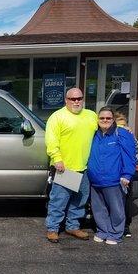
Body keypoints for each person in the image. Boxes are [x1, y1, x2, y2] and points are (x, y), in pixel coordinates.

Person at [45, 88, 98, 243]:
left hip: (85, 167)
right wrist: (57, 159)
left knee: (80, 201)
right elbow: (51, 140)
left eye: (79, 98)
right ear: (66, 100)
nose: (76, 101)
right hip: (66, 168)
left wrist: (122, 128)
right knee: (59, 201)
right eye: (72, 99)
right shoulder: (57, 117)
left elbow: (105, 126)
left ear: (83, 99)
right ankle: (53, 229)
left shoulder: (91, 115)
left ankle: (72, 226)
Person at [87, 107, 136, 245]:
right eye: (102, 118)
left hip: (113, 180)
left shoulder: (121, 134)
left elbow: (129, 156)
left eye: (108, 118)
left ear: (113, 119)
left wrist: (127, 174)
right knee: (98, 209)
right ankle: (103, 231)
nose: (105, 120)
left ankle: (115, 234)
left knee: (116, 209)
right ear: (98, 120)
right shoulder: (94, 134)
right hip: (95, 180)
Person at [114, 111, 138, 238]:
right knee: (113, 201)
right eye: (119, 126)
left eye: (124, 125)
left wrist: (130, 172)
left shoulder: (130, 136)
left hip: (126, 174)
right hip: (113, 173)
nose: (122, 128)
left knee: (126, 200)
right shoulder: (109, 136)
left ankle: (125, 225)